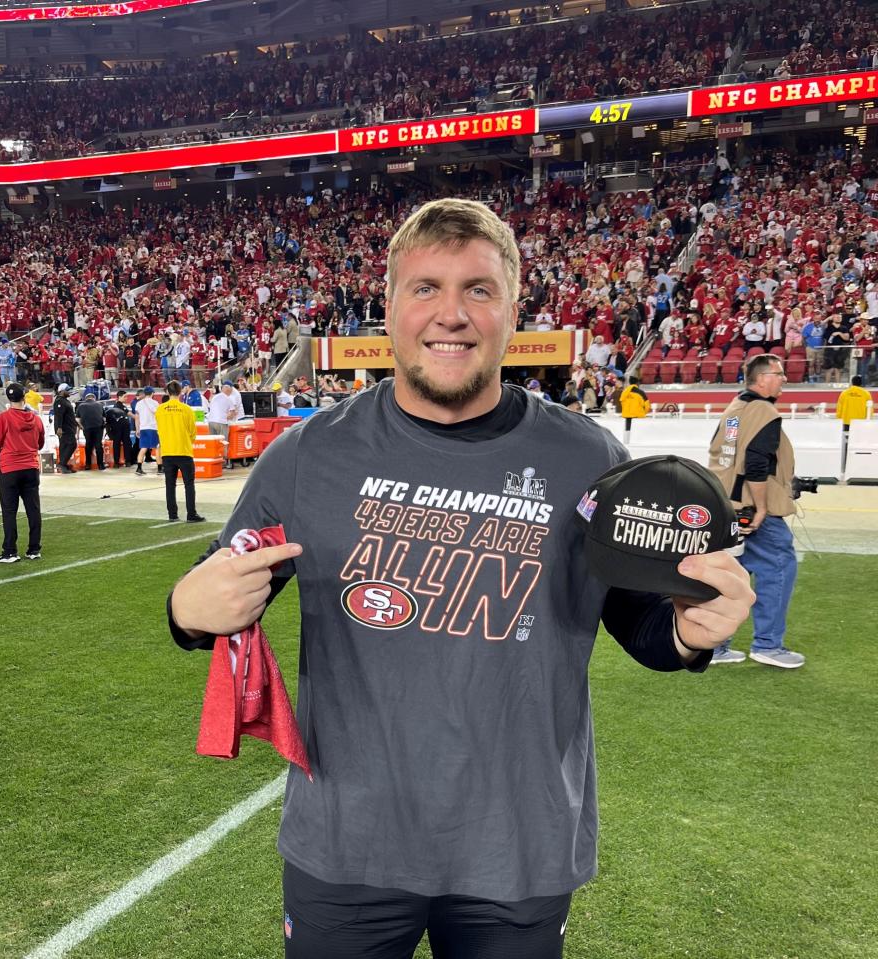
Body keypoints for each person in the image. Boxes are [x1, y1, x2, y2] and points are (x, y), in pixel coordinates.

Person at [168, 198, 753, 958]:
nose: (452, 314)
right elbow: (222, 584)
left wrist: (689, 632)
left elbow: (645, 621)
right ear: (388, 310)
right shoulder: (308, 455)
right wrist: (186, 607)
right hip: (348, 847)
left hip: (516, 848)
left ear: (514, 310)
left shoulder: (590, 459)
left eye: (478, 289)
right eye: (426, 289)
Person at [708, 353, 804, 668]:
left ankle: (716, 645)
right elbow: (755, 463)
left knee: (733, 575)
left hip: (727, 505)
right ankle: (768, 644)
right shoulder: (763, 410)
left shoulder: (734, 408)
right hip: (752, 510)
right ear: (762, 378)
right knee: (778, 568)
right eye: (779, 373)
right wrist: (762, 507)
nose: (784, 379)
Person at [0, 382, 44, 563]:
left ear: (9, 398)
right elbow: (40, 443)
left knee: (9, 511)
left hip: (10, 468)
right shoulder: (35, 419)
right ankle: (34, 549)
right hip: (30, 467)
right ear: (24, 397)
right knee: (33, 509)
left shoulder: (4, 418)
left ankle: (10, 551)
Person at [154, 380, 205, 523]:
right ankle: (191, 514)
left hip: (167, 452)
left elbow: (159, 428)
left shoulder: (160, 409)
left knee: (170, 485)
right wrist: (187, 442)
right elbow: (192, 432)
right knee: (189, 484)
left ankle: (172, 514)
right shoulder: (186, 409)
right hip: (184, 451)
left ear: (167, 392)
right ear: (181, 391)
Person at [207, 380, 241, 469]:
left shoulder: (215, 397)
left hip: (211, 422)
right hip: (221, 423)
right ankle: (223, 462)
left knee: (213, 443)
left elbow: (211, 409)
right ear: (228, 389)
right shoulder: (229, 399)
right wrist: (232, 414)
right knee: (223, 442)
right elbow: (230, 415)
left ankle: (214, 461)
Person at [134, 385, 162, 476]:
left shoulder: (139, 404)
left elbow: (137, 417)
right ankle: (160, 469)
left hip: (143, 428)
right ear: (152, 393)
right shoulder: (155, 403)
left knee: (143, 448)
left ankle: (139, 468)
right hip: (153, 428)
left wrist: (137, 429)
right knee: (157, 448)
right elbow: (158, 416)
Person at [76, 389, 107, 471]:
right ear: (94, 398)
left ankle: (88, 465)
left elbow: (77, 420)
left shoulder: (81, 406)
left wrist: (82, 427)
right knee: (98, 445)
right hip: (98, 427)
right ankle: (100, 465)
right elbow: (104, 418)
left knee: (88, 445)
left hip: (87, 428)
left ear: (86, 399)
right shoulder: (99, 404)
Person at [52, 383, 78, 474]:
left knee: (64, 446)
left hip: (68, 427)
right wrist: (59, 428)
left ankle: (63, 464)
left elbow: (69, 415)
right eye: (68, 390)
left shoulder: (64, 400)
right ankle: (62, 464)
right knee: (72, 444)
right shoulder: (59, 401)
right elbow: (59, 415)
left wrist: (77, 424)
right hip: (64, 428)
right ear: (62, 391)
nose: (70, 392)